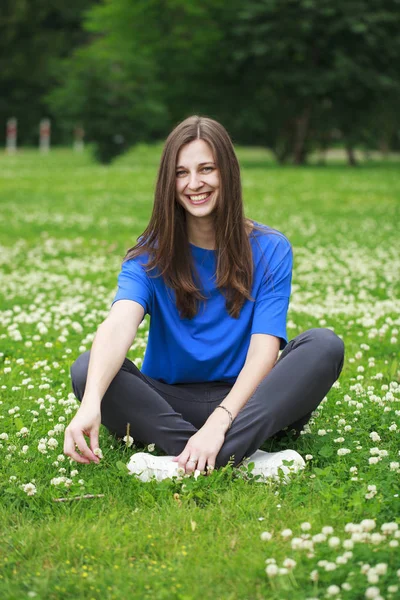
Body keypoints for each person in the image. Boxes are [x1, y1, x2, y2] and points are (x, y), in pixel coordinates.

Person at [64, 115, 345, 483]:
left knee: (324, 345)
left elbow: (265, 350)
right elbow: (119, 324)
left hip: (251, 403)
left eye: (206, 169)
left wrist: (221, 421)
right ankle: (243, 457)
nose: (194, 184)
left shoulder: (271, 248)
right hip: (169, 403)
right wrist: (90, 403)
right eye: (181, 173)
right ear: (169, 181)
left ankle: (184, 460)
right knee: (88, 370)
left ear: (227, 172)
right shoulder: (148, 256)